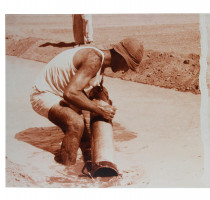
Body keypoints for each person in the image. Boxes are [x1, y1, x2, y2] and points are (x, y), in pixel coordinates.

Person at [30, 38, 144, 166]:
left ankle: (85, 159)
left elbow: (91, 90)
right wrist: (99, 109)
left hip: (60, 93)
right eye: (128, 66)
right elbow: (70, 93)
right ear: (122, 58)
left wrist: (102, 98)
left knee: (85, 137)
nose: (125, 70)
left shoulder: (100, 62)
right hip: (44, 94)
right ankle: (68, 173)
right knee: (76, 124)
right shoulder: (94, 59)